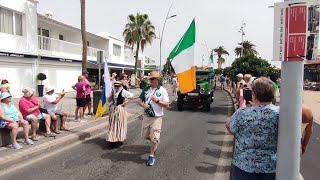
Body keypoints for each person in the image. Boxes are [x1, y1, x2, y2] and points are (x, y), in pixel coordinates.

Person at [226, 77, 279, 180]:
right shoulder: (280, 113)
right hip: (271, 167)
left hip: (244, 166)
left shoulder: (242, 113)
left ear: (253, 94)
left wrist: (228, 122)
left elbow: (231, 128)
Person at [138, 71, 170, 166]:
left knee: (154, 138)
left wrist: (157, 100)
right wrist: (143, 105)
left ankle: (151, 156)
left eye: (152, 79)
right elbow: (139, 100)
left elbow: (167, 105)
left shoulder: (162, 90)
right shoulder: (146, 89)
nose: (150, 81)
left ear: (157, 80)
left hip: (157, 118)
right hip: (147, 117)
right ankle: (155, 140)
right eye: (150, 79)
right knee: (145, 136)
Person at [106, 81, 133, 148]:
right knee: (113, 124)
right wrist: (111, 94)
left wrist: (125, 103)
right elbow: (109, 100)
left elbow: (131, 96)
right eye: (115, 86)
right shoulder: (114, 92)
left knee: (119, 124)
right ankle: (112, 138)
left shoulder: (123, 91)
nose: (116, 87)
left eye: (118, 86)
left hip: (120, 109)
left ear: (120, 86)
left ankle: (118, 138)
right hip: (113, 109)